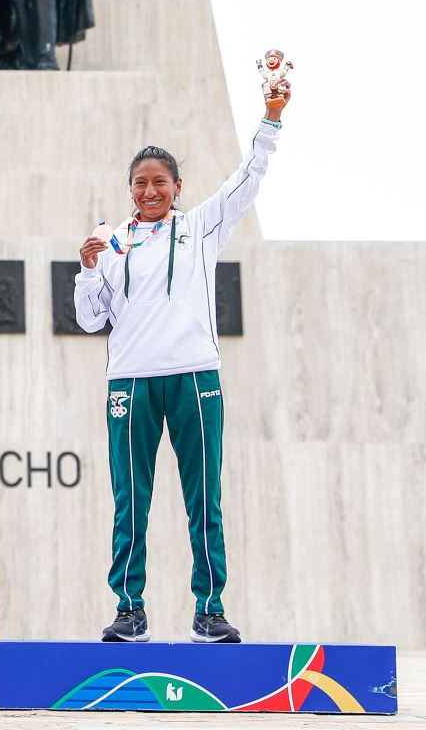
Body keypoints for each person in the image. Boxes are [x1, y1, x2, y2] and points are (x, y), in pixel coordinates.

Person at [74, 81, 291, 643]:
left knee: (204, 499)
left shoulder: (200, 227)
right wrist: (88, 269)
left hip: (195, 377)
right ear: (130, 190)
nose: (150, 191)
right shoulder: (111, 241)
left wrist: (270, 120)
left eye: (160, 183)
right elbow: (91, 319)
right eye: (141, 183)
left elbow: (248, 180)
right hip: (131, 381)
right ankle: (129, 609)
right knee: (130, 501)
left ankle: (210, 609)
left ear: (177, 188)